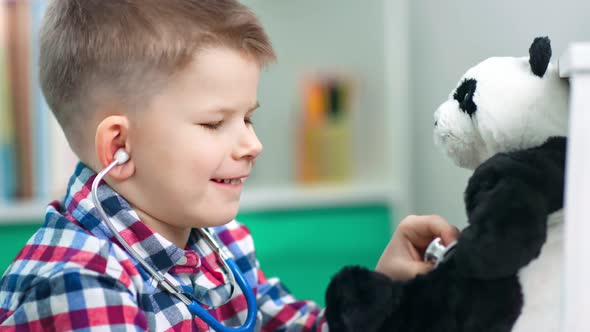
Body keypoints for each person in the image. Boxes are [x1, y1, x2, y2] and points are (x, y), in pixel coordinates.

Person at [0, 0, 459, 330]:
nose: (253, 144)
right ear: (119, 146)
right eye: (215, 122)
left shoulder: (223, 245)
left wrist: (385, 286)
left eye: (249, 117)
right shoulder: (79, 285)